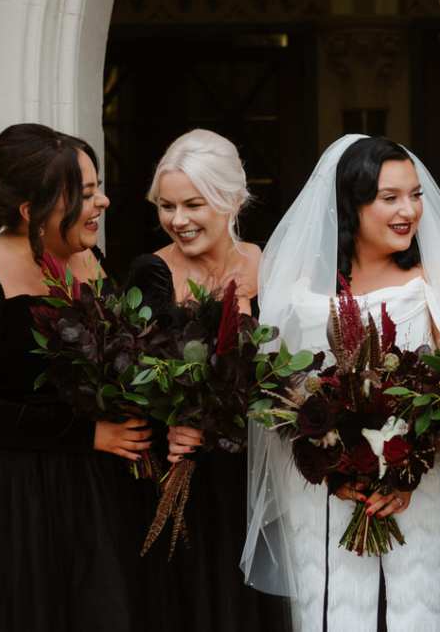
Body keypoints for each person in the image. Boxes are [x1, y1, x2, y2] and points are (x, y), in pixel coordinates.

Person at [0, 123, 159, 632]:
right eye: (85, 194)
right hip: (13, 498)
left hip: (95, 489)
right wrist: (89, 434)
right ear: (31, 210)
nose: (103, 202)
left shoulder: (91, 262)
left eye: (97, 187)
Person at [245, 135, 440, 631]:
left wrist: (408, 469)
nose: (410, 211)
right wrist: (332, 466)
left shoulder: (439, 278)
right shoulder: (300, 294)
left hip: (422, 490)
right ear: (352, 204)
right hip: (326, 497)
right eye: (389, 197)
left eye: (415, 195)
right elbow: (279, 401)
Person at [126, 128, 291, 631]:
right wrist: (171, 421)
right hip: (184, 479)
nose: (178, 220)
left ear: (232, 200)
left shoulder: (272, 265)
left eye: (193, 204)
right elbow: (134, 379)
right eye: (166, 206)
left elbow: (291, 378)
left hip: (260, 479)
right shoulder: (150, 274)